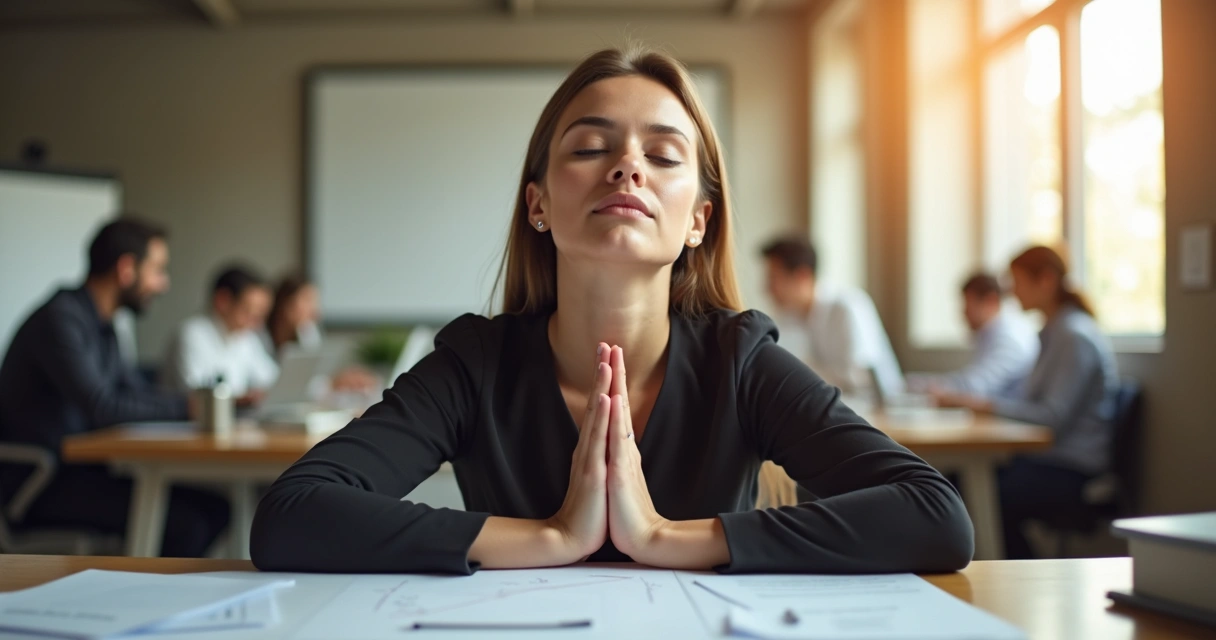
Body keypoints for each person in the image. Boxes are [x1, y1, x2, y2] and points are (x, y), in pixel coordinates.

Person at [251, 47, 973, 575]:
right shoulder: (475, 365)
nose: (627, 166)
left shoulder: (740, 360)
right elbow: (291, 514)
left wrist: (662, 537)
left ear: (698, 220)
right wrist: (553, 537)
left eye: (663, 156)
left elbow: (935, 516)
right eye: (592, 147)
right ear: (538, 203)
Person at [0, 218, 229, 557]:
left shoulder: (104, 326)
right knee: (188, 524)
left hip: (86, 471)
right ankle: (146, 591)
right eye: (157, 270)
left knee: (217, 509)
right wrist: (189, 407)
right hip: (41, 483)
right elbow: (103, 406)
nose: (163, 284)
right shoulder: (60, 320)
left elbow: (134, 391)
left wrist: (193, 402)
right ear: (126, 269)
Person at [935, 246, 1118, 559]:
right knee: (955, 482)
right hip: (1046, 460)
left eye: (1017, 282)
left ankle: (1018, 576)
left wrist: (986, 406)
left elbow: (1052, 418)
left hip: (1070, 468)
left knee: (977, 494)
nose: (1010, 292)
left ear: (1046, 280)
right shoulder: (1053, 333)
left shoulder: (1074, 336)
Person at [760, 237, 904, 400]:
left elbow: (859, 379)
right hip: (829, 404)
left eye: (774, 278)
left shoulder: (846, 306)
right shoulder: (787, 317)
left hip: (874, 406)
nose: (767, 289)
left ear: (802, 275)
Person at [906, 272, 1038, 398]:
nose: (964, 313)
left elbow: (975, 387)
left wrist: (916, 384)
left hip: (1005, 413)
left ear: (990, 300)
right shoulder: (991, 334)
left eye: (968, 304)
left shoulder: (1009, 338)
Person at [163, 264, 278, 402]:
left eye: (261, 315)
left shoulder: (246, 337)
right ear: (223, 300)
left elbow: (272, 380)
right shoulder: (191, 334)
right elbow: (198, 396)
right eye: (249, 312)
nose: (257, 323)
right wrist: (240, 400)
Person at [264, 273, 377, 393]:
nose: (314, 309)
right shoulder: (260, 338)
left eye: (315, 302)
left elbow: (318, 375)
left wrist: (341, 380)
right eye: (307, 300)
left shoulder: (307, 332)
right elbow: (274, 383)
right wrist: (332, 384)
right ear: (285, 303)